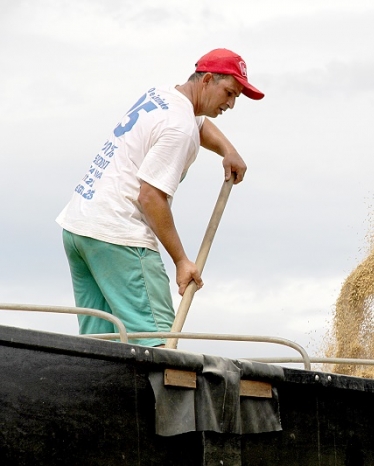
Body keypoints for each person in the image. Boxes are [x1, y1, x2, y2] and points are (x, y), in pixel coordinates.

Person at [56, 48, 264, 346]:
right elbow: (150, 196)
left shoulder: (163, 96)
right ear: (206, 80)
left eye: (236, 98)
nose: (231, 104)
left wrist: (227, 151)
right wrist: (181, 261)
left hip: (80, 228)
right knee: (157, 345)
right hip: (120, 236)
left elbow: (200, 123)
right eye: (229, 93)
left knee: (100, 346)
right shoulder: (179, 128)